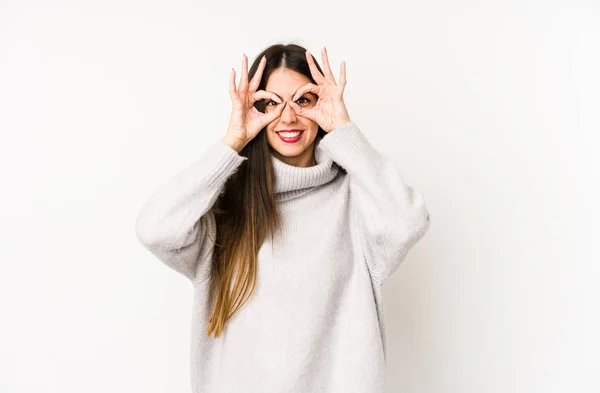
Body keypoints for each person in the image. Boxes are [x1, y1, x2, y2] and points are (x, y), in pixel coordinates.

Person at [135, 43, 431, 393]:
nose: (288, 117)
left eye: (303, 101)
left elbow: (407, 221)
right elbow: (156, 230)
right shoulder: (225, 207)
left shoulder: (357, 202)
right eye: (270, 103)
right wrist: (233, 141)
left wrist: (343, 128)